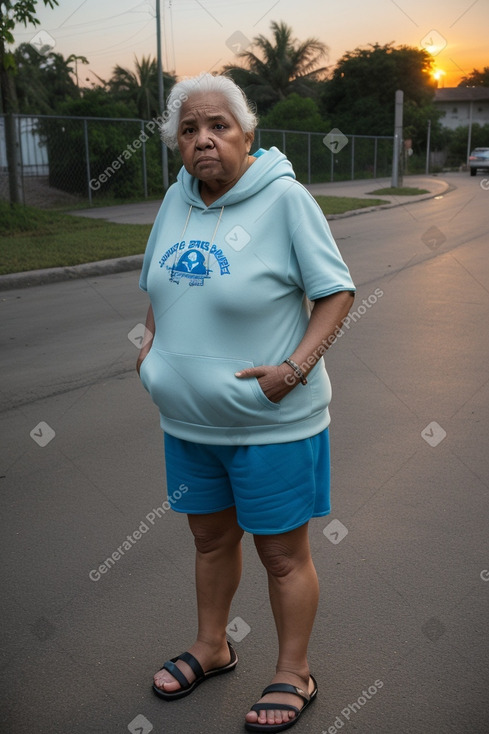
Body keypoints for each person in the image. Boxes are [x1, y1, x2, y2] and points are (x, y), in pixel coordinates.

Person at [137, 71, 355, 733]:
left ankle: (294, 672)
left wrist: (293, 368)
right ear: (177, 142)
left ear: (246, 132)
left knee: (282, 555)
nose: (203, 140)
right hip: (187, 423)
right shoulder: (175, 201)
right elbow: (157, 279)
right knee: (208, 544)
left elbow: (337, 292)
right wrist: (151, 348)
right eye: (189, 130)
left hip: (273, 426)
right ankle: (212, 646)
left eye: (218, 126)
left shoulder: (284, 200)